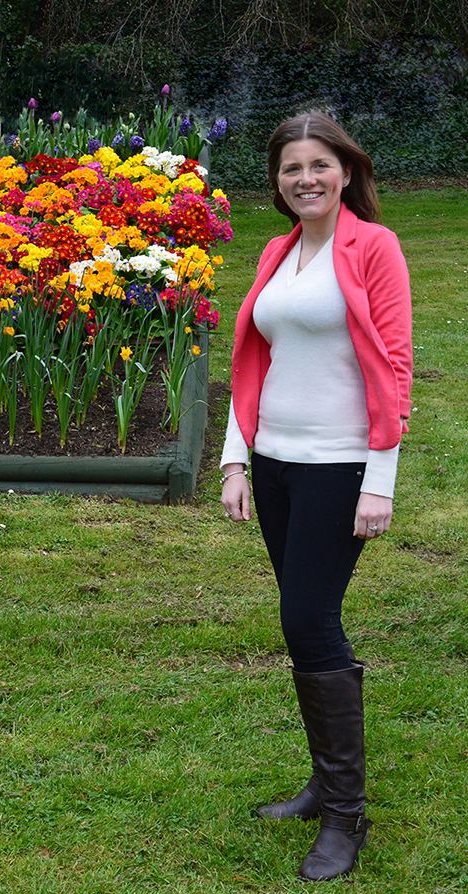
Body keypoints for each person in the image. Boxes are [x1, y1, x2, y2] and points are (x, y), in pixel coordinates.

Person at [220, 111, 412, 881]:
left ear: (345, 172)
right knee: (303, 625)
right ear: (276, 180)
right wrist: (235, 462)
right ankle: (322, 786)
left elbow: (394, 367)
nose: (305, 179)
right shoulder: (276, 251)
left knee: (307, 617)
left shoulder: (375, 247)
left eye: (318, 166)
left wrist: (378, 483)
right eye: (291, 168)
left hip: (339, 466)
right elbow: (251, 362)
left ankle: (344, 815)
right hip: (274, 464)